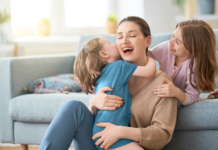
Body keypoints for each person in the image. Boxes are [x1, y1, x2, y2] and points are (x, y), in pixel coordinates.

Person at [39, 16, 177, 150]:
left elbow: (162, 135)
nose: (124, 41)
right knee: (73, 108)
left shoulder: (163, 83)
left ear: (147, 41)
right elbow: (101, 120)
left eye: (132, 36)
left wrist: (121, 132)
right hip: (100, 143)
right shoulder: (112, 74)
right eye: (119, 37)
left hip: (127, 145)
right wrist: (93, 104)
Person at [74, 36, 156, 149]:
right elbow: (149, 71)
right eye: (110, 43)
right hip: (111, 132)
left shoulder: (100, 76)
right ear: (104, 54)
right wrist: (151, 59)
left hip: (100, 130)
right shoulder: (119, 66)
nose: (115, 44)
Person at [149, 20, 218, 106]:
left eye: (177, 42)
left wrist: (176, 92)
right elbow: (146, 55)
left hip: (175, 100)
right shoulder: (167, 48)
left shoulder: (194, 65)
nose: (171, 42)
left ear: (193, 49)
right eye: (173, 36)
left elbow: (193, 97)